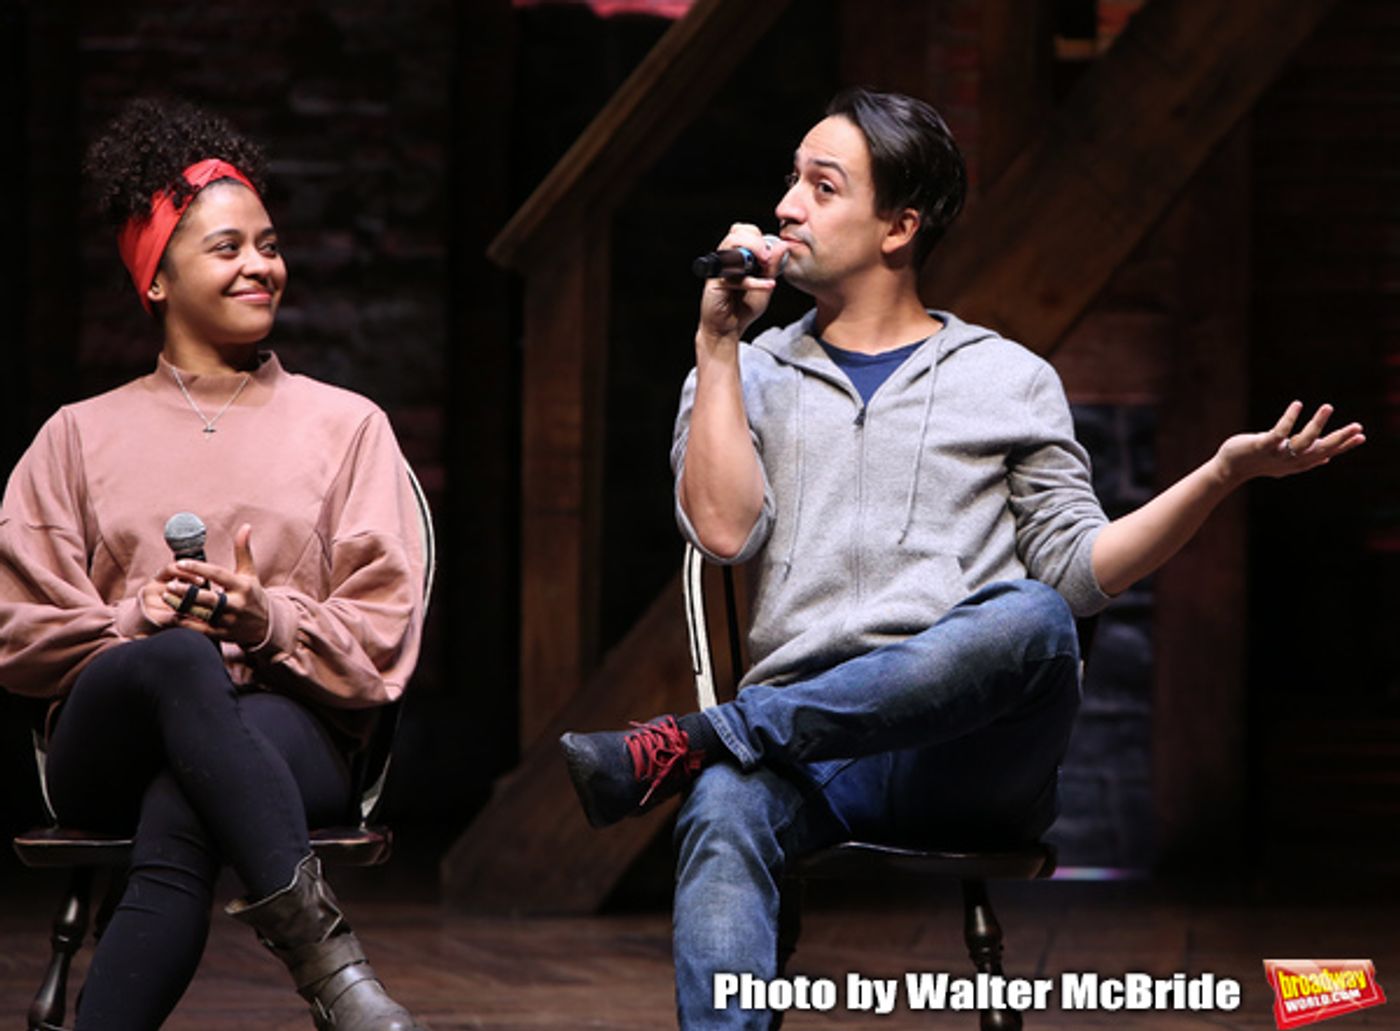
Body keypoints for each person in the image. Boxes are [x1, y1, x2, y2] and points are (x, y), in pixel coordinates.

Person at [559, 87, 1365, 1029]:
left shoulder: (1009, 378)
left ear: (900, 226)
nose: (786, 206)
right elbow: (725, 534)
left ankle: (706, 738)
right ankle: (730, 755)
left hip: (966, 759)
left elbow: (1076, 571)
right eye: (791, 181)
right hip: (812, 759)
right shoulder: (751, 369)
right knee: (725, 808)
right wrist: (718, 344)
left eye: (822, 187)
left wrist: (1220, 475)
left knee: (1031, 617)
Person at [0, 98, 429, 1031]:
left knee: (183, 803)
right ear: (156, 278)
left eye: (268, 244)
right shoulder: (76, 436)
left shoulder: (346, 425)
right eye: (228, 247)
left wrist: (263, 617)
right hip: (108, 733)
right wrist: (136, 618)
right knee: (179, 661)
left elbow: (385, 632)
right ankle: (330, 965)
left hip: (288, 730)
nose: (260, 265)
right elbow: (19, 636)